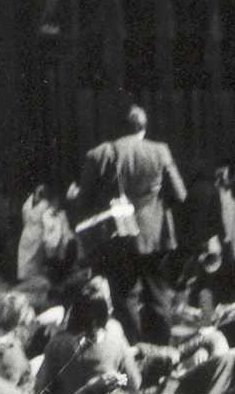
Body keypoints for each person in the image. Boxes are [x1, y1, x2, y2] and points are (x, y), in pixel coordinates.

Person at [73, 106, 187, 344]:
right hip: (155, 236)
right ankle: (163, 350)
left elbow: (83, 203)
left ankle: (134, 350)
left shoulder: (100, 154)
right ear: (143, 128)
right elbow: (180, 194)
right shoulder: (160, 150)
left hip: (119, 236)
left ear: (119, 128)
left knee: (125, 298)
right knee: (158, 295)